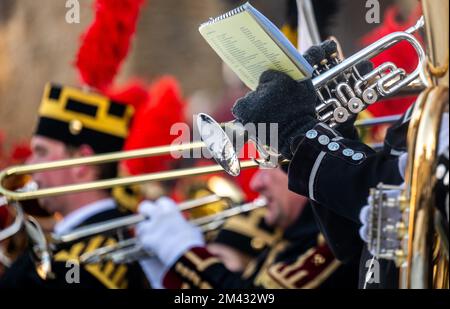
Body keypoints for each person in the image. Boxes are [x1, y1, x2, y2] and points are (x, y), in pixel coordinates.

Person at [137, 167, 359, 289]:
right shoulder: (290, 238)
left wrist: (185, 253)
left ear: (307, 168)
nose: (256, 184)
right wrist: (169, 278)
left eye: (269, 166)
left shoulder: (333, 240)